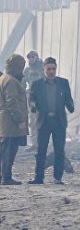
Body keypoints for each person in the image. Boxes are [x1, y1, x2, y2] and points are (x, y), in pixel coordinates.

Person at [28, 57, 75, 185]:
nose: (51, 71)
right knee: (41, 150)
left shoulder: (63, 83)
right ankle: (38, 177)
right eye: (48, 69)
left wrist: (70, 105)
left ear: (56, 69)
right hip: (43, 121)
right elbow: (31, 98)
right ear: (44, 69)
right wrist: (33, 106)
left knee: (59, 150)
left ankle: (58, 178)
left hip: (59, 121)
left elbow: (68, 98)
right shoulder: (36, 84)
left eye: (53, 69)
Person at [0, 54, 29, 185]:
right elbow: (12, 102)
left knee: (4, 151)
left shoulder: (4, 78)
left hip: (5, 122)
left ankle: (3, 176)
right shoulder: (11, 81)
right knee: (9, 151)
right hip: (10, 123)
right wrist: (20, 119)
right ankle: (6, 177)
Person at [22, 51, 44, 150]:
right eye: (29, 57)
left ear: (37, 57)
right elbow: (22, 83)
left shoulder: (43, 69)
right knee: (32, 121)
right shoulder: (27, 70)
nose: (31, 59)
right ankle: (35, 144)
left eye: (33, 57)